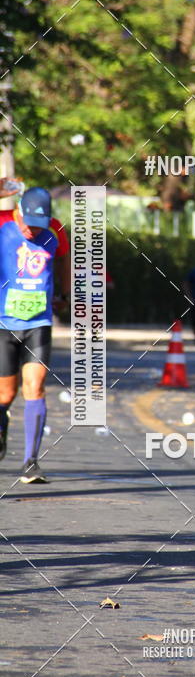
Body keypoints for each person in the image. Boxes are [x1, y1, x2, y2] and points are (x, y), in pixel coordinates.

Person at [0, 185, 70, 482]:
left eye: (39, 225)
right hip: (3, 324)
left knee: (35, 385)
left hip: (38, 323)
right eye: (29, 224)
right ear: (19, 213)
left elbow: (65, 259)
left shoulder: (54, 232)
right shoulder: (2, 223)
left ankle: (31, 461)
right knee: (5, 393)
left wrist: (64, 295)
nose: (33, 231)